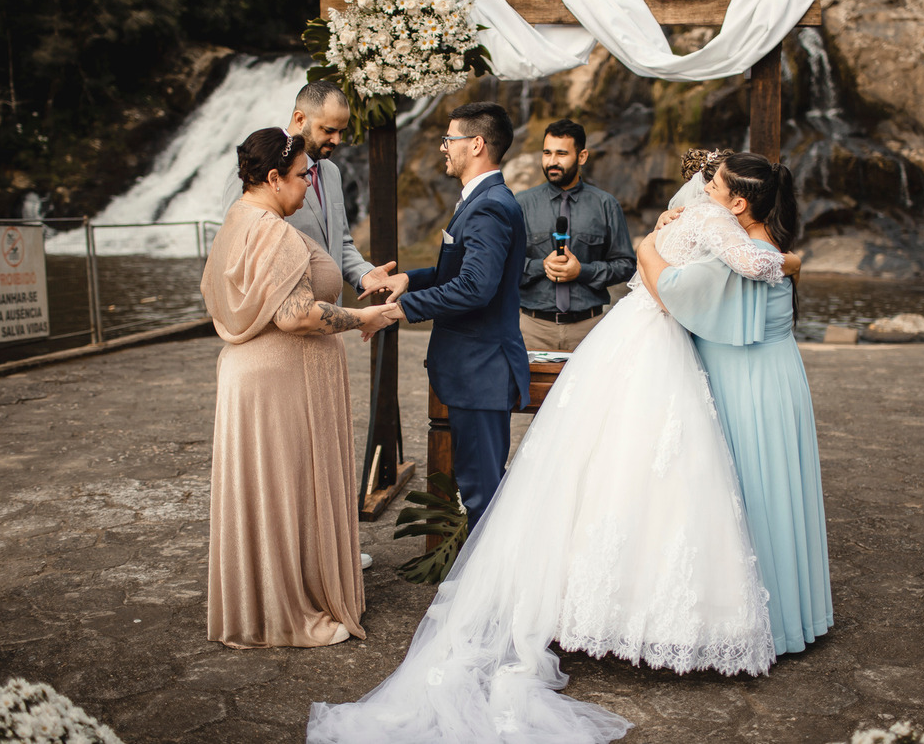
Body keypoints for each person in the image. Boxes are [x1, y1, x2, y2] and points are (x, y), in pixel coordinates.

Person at [307, 150, 799, 744]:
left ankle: (568, 601)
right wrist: (790, 258)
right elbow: (759, 263)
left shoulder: (690, 211)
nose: (704, 182)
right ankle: (631, 608)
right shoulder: (716, 219)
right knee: (661, 464)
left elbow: (653, 252)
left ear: (734, 195)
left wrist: (648, 246)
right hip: (656, 338)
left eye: (713, 178)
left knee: (599, 457)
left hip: (626, 333)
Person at [200, 127, 396, 648]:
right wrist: (361, 317)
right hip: (281, 382)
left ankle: (261, 604)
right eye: (301, 176)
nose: (310, 185)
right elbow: (294, 315)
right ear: (272, 178)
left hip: (247, 376)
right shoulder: (275, 233)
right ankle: (288, 615)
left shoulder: (235, 222)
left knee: (267, 495)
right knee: (287, 492)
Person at [639, 150, 832, 658]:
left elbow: (670, 291)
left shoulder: (734, 255)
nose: (703, 193)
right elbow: (778, 264)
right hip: (778, 376)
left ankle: (758, 623)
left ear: (740, 203)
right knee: (776, 491)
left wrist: (648, 245)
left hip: (745, 383)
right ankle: (792, 617)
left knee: (749, 495)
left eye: (714, 189)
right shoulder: (770, 242)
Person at [377, 102, 529, 530]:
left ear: (476, 144)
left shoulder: (490, 206)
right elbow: (463, 272)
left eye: (450, 139)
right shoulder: (481, 200)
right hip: (473, 371)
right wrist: (410, 279)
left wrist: (401, 310)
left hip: (480, 371)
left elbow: (476, 288)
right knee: (477, 486)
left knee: (483, 494)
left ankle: (492, 593)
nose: (443, 148)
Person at [219, 81, 405, 305]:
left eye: (341, 132)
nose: (337, 140)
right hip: (280, 316)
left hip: (330, 318)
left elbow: (340, 243)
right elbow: (237, 247)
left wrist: (365, 274)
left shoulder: (332, 172)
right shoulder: (254, 167)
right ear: (300, 119)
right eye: (328, 130)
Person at [516, 119, 635, 351]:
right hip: (532, 329)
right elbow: (504, 263)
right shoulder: (520, 204)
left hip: (590, 329)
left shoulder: (606, 204)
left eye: (561, 154)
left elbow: (626, 265)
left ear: (582, 157)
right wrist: (542, 266)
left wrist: (582, 271)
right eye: (547, 153)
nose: (552, 162)